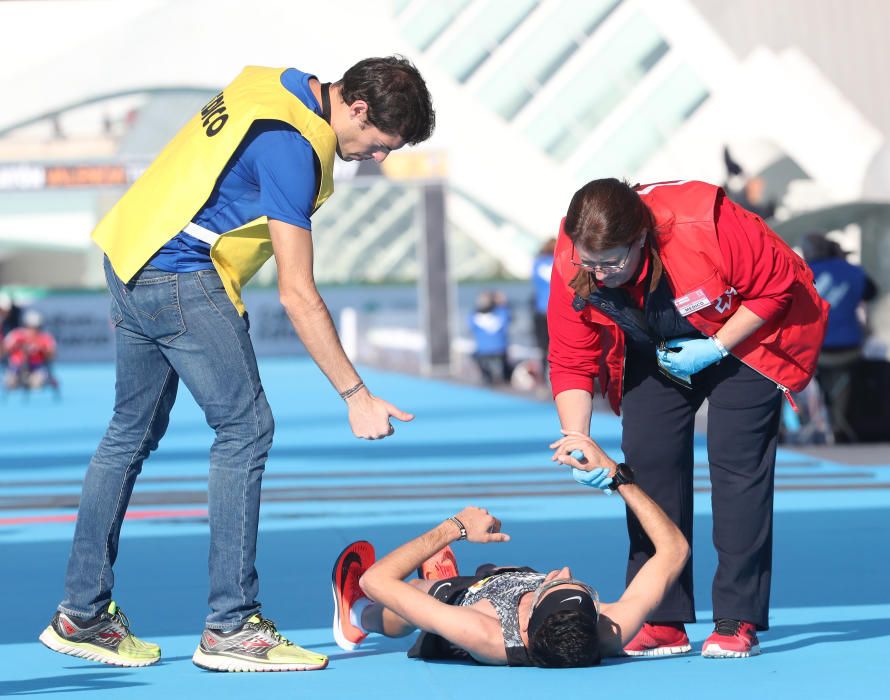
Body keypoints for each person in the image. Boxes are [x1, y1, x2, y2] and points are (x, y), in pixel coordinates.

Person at [39, 57, 435, 672]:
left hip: (130, 254)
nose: (380, 158)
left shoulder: (276, 82)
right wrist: (355, 393)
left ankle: (81, 612)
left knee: (127, 436)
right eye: (381, 144)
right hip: (179, 274)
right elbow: (298, 293)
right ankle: (231, 625)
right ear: (356, 108)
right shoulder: (294, 148)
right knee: (246, 429)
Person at [547, 179, 828, 658]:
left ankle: (737, 617)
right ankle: (659, 615)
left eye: (612, 262)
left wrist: (717, 346)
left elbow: (778, 287)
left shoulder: (707, 222)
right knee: (646, 465)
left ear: (641, 239)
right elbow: (572, 355)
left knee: (737, 469)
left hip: (745, 339)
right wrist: (577, 437)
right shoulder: (576, 256)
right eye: (591, 264)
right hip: (654, 346)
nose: (601, 274)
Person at [330, 433, 689, 667]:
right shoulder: (608, 629)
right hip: (507, 582)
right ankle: (452, 581)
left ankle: (357, 617)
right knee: (510, 572)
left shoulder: (483, 633)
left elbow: (376, 580)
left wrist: (455, 527)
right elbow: (674, 550)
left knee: (415, 600)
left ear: (531, 614)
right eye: (578, 585)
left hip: (470, 605)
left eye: (554, 583)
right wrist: (616, 475)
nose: (562, 570)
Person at [803, 232, 878, 443]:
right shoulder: (853, 272)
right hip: (850, 347)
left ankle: (813, 422)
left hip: (815, 349)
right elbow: (871, 293)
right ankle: (839, 423)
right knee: (842, 382)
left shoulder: (805, 272)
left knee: (820, 379)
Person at [3, 309, 57, 391]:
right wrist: (14, 347)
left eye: (35, 327)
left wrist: (42, 350)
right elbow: (3, 350)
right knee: (10, 383)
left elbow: (52, 355)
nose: (32, 330)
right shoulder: (16, 335)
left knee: (37, 382)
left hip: (36, 368)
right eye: (29, 327)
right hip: (16, 368)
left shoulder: (45, 338)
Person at [469, 290, 512, 385]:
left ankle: (487, 376)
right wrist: (501, 303)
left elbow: (471, 326)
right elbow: (509, 317)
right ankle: (504, 378)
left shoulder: (474, 317)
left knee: (475, 355)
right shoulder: (502, 313)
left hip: (483, 353)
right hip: (500, 351)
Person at [531, 238, 556, 382]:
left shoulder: (537, 263)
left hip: (541, 309)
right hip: (557, 309)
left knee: (543, 346)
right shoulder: (561, 260)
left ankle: (544, 378)